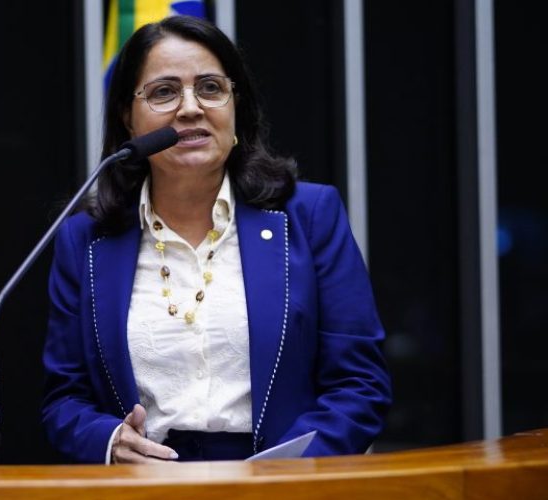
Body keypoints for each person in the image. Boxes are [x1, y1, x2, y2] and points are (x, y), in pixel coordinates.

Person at [41, 15, 391, 464]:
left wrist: (285, 473)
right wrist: (109, 441)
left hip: (283, 486)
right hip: (146, 488)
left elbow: (360, 384)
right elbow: (64, 399)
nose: (190, 108)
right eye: (164, 92)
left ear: (235, 109)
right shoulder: (85, 240)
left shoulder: (309, 216)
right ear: (128, 118)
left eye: (210, 88)